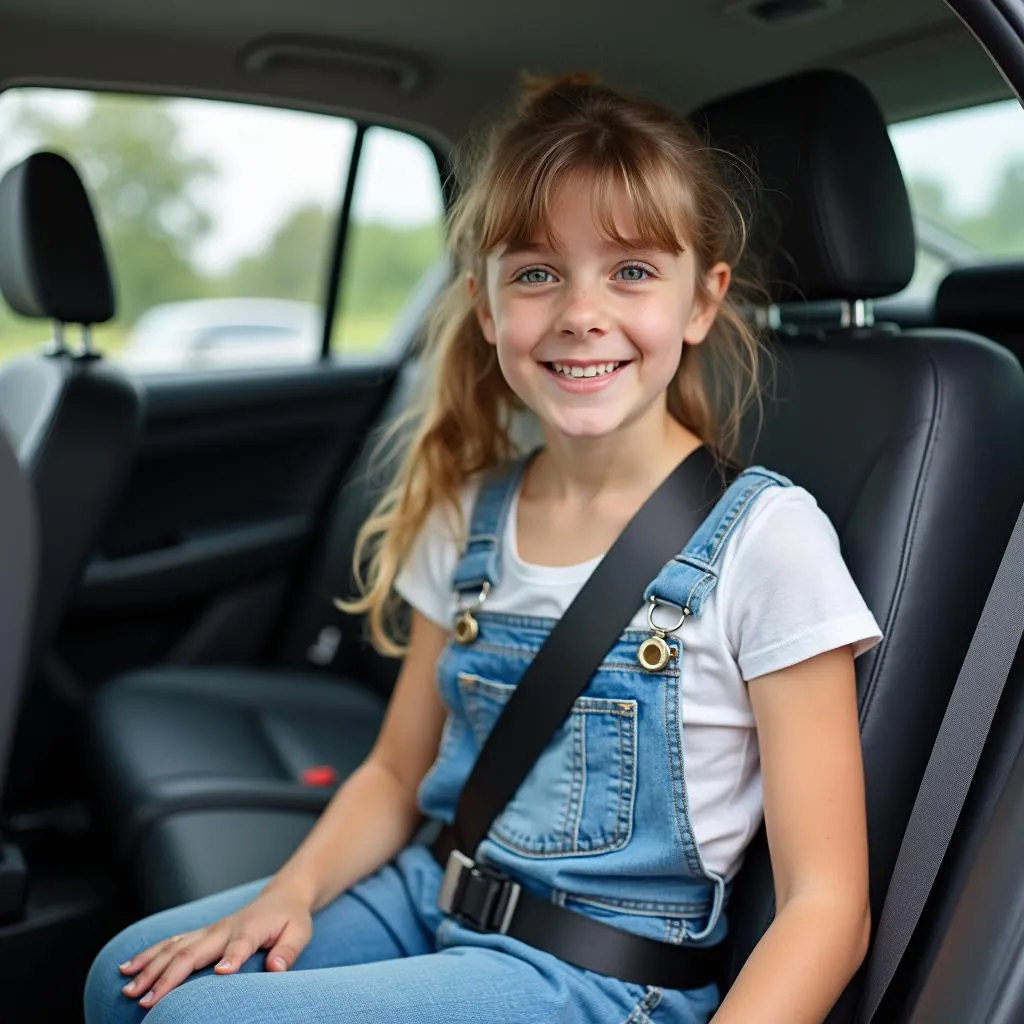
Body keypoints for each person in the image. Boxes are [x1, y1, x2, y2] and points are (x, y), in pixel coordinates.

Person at [85, 73, 882, 1024]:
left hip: (601, 975)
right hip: (432, 896)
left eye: (631, 271)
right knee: (125, 978)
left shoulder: (768, 541)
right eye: (538, 272)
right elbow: (393, 773)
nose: (581, 311)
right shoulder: (471, 515)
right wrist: (288, 893)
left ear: (703, 302)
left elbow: (828, 906)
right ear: (486, 300)